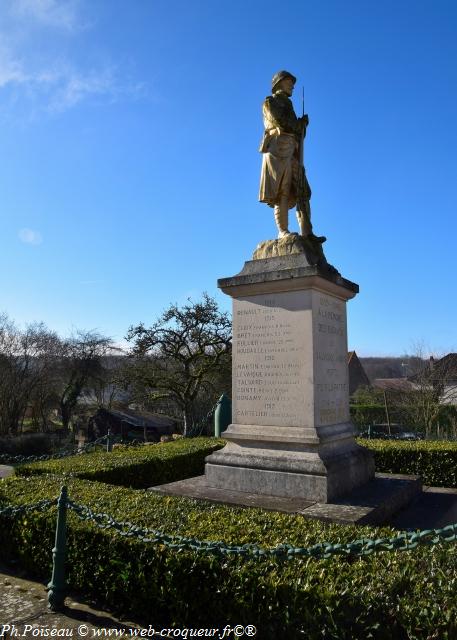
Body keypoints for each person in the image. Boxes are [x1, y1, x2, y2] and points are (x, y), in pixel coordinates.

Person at [259, 70, 325, 243]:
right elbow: (282, 122)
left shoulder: (289, 106)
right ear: (279, 83)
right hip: (278, 150)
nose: (292, 86)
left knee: (302, 189)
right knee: (283, 188)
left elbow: (295, 130)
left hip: (291, 150)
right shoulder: (270, 102)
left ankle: (307, 232)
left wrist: (301, 127)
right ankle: (283, 231)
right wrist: (299, 124)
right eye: (289, 82)